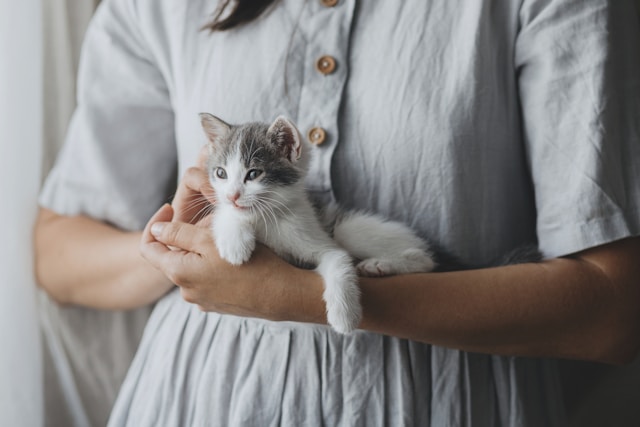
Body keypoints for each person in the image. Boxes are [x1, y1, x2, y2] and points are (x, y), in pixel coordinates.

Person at [34, 0, 640, 425]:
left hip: (443, 401)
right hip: (203, 398)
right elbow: (57, 255)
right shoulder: (159, 8)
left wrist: (294, 295)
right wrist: (182, 248)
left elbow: (612, 313)